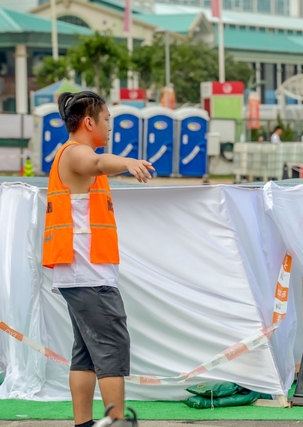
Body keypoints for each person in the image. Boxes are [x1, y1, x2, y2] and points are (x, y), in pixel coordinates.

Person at [42, 91, 154, 427]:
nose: (110, 127)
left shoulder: (70, 153)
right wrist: (128, 162)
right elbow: (96, 163)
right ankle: (116, 422)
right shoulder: (76, 153)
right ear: (89, 122)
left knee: (86, 353)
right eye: (107, 120)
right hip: (87, 273)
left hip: (80, 272)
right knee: (110, 349)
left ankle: (85, 424)